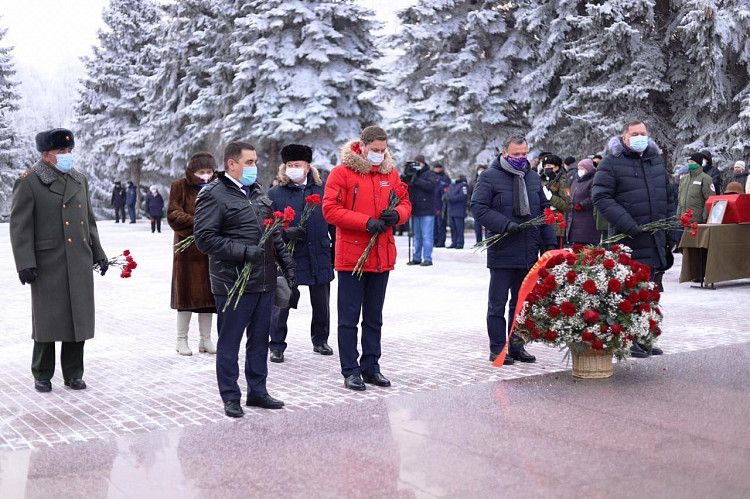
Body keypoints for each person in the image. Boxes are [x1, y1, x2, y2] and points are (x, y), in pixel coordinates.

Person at [194, 141, 295, 418]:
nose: (254, 167)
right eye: (249, 162)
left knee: (260, 339)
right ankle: (230, 396)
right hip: (232, 283)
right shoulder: (213, 194)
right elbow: (204, 238)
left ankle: (258, 391)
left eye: (255, 162)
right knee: (230, 342)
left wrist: (287, 266)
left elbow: (273, 232)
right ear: (232, 164)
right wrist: (244, 252)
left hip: (263, 280)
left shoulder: (258, 193)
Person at [10, 128, 108, 393]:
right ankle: (42, 373)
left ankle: (74, 373)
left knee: (78, 319)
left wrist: (98, 253)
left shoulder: (79, 180)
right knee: (48, 321)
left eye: (69, 151)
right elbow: (20, 226)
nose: (67, 156)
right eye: (61, 152)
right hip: (48, 263)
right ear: (46, 154)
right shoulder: (30, 181)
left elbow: (89, 221)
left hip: (78, 259)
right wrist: (25, 263)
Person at [322, 126, 412, 391]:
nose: (379, 155)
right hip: (353, 256)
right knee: (349, 318)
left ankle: (371, 366)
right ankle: (350, 370)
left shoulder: (390, 173)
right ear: (361, 146)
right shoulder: (342, 173)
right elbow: (330, 209)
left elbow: (405, 202)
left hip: (381, 255)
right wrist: (365, 222)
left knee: (374, 317)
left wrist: (398, 215)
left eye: (383, 150)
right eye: (374, 150)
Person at [471, 135, 556, 365]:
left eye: (524, 154)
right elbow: (478, 208)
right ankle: (498, 348)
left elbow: (543, 210)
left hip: (529, 250)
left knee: (521, 303)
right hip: (503, 249)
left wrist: (549, 242)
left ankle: (517, 344)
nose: (520, 158)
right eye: (516, 154)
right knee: (497, 303)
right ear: (505, 152)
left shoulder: (532, 178)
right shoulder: (489, 177)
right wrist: (505, 225)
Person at [592, 119, 674, 357]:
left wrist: (671, 230)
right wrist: (629, 224)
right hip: (627, 238)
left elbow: (668, 198)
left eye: (643, 133)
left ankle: (645, 337)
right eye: (635, 133)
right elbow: (601, 197)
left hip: (655, 239)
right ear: (624, 137)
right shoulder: (612, 163)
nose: (640, 137)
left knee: (650, 291)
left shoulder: (655, 161)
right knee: (629, 291)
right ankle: (627, 339)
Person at [267, 144, 334, 362]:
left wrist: (336, 251)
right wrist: (285, 233)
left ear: (307, 168)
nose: (293, 168)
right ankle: (276, 345)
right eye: (289, 165)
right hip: (289, 256)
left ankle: (320, 340)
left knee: (322, 302)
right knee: (282, 300)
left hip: (319, 253)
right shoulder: (275, 193)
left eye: (298, 165)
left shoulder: (322, 192)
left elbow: (333, 222)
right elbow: (267, 225)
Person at [167, 152, 217, 357]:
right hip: (187, 251)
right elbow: (173, 214)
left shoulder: (217, 186)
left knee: (209, 297)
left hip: (211, 250)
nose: (205, 175)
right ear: (192, 171)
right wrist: (199, 224)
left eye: (209, 171)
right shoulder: (180, 186)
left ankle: (205, 339)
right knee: (186, 296)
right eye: (201, 171)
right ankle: (181, 340)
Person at [404, 154, 437, 266]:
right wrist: (406, 175)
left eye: (419, 163)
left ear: (423, 163)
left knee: (427, 236)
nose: (417, 165)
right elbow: (404, 185)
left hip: (427, 210)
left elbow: (431, 186)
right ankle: (416, 257)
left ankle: (427, 258)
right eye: (415, 163)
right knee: (416, 236)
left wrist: (416, 180)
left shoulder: (430, 173)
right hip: (415, 209)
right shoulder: (413, 173)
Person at [567, 159, 599, 245]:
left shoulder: (593, 180)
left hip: (587, 218)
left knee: (585, 246)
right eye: (578, 168)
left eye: (582, 168)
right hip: (574, 218)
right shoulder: (576, 181)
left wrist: (582, 204)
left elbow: (593, 197)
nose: (579, 170)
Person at [541, 154, 571, 246]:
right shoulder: (543, 180)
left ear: (557, 167)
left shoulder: (563, 181)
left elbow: (567, 205)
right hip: (543, 225)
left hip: (556, 227)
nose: (547, 168)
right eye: (545, 166)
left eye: (549, 166)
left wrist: (551, 198)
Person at [678, 153, 714, 223]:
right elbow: (680, 199)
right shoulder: (684, 179)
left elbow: (710, 200)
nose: (690, 164)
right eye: (689, 162)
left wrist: (705, 217)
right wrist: (678, 215)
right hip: (684, 219)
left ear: (698, 163)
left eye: (692, 162)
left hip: (697, 220)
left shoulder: (706, 179)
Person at [432, 162, 451, 247]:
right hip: (433, 204)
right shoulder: (432, 176)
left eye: (439, 168)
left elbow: (446, 193)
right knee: (434, 225)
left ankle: (441, 241)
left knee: (441, 225)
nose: (437, 169)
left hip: (441, 204)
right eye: (436, 168)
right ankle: (435, 240)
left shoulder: (445, 178)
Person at [447, 175, 468, 248]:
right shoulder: (452, 185)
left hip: (459, 210)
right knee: (453, 228)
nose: (454, 178)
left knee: (459, 228)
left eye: (456, 177)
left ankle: (460, 243)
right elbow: (448, 194)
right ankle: (454, 242)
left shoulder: (463, 185)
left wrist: (451, 198)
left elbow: (463, 196)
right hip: (451, 210)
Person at [469, 165, 488, 243]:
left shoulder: (489, 180)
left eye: (482, 169)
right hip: (476, 206)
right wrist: (470, 204)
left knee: (488, 225)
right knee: (477, 226)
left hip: (487, 206)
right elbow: (469, 194)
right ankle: (479, 242)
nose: (480, 171)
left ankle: (487, 241)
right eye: (479, 170)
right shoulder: (473, 182)